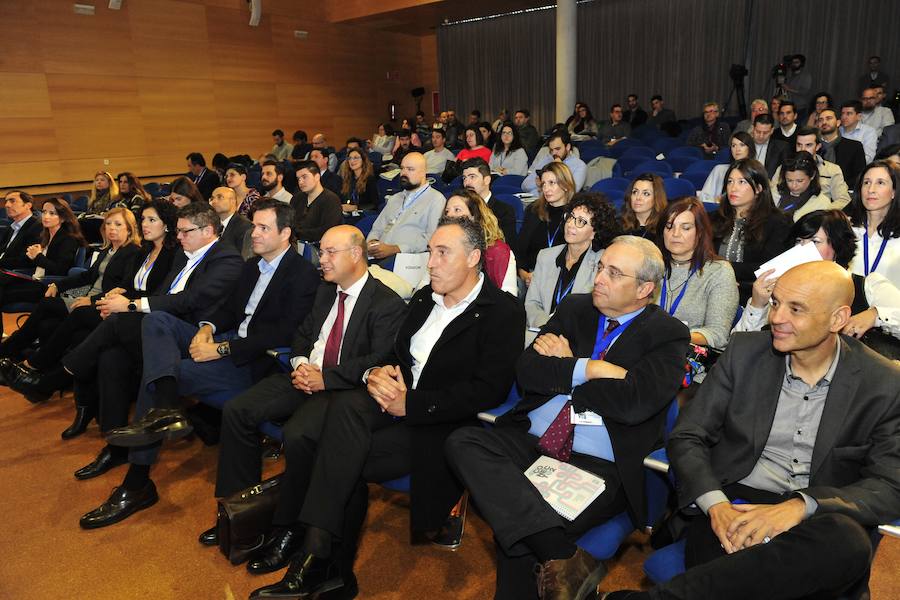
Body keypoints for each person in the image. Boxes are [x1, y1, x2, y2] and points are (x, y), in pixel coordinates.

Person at [246, 218, 525, 600]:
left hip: (437, 421)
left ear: (474, 257)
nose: (431, 262)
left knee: (341, 453)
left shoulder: (502, 312)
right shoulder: (427, 297)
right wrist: (381, 372)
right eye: (430, 252)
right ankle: (319, 558)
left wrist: (410, 403)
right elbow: (399, 353)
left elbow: (487, 391)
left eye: (443, 253)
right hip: (392, 401)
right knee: (334, 419)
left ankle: (318, 559)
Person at [603, 261, 900, 600]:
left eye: (796, 309)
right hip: (735, 505)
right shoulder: (744, 353)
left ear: (838, 318)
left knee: (846, 540)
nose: (776, 318)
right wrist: (716, 506)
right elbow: (688, 436)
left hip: (818, 517)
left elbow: (891, 485)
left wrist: (800, 506)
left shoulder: (883, 384)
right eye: (775, 303)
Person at [447, 235, 689, 600]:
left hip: (599, 463)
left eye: (614, 273)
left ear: (644, 289)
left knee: (519, 528)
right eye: (600, 267)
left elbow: (635, 402)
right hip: (534, 441)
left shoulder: (668, 334)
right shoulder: (576, 308)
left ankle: (558, 562)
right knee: (462, 441)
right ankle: (563, 557)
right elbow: (527, 371)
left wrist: (564, 369)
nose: (599, 278)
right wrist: (590, 368)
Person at [79, 200, 320, 529]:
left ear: (286, 233)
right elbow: (229, 312)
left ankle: (137, 482)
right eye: (255, 226)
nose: (255, 233)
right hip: (229, 341)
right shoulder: (253, 267)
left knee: (161, 373)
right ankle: (166, 412)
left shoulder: (302, 273)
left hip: (256, 362)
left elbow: (283, 332)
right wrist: (207, 328)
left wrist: (221, 348)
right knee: (157, 321)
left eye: (264, 228)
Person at [200, 224, 407, 564]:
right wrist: (299, 365)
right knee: (238, 411)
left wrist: (326, 378)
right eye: (321, 252)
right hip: (303, 377)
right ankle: (239, 513)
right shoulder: (326, 292)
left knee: (299, 435)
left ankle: (288, 527)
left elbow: (379, 359)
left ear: (356, 255)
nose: (320, 260)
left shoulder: (385, 303)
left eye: (329, 253)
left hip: (340, 389)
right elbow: (301, 336)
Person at [60, 202, 244, 486]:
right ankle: (117, 445)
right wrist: (130, 305)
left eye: (184, 231)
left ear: (208, 230)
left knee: (130, 321)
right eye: (178, 231)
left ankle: (65, 371)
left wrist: (131, 305)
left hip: (194, 336)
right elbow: (162, 294)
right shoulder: (185, 255)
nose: (178, 236)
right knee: (112, 356)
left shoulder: (227, 259)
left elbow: (190, 301)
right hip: (162, 328)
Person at [1, 206, 146, 407]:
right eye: (109, 224)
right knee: (48, 322)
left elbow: (126, 287)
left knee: (50, 306)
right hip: (88, 298)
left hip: (104, 303)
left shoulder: (133, 252)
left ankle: (26, 361)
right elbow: (87, 276)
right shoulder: (108, 250)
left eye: (118, 224)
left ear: (129, 229)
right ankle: (32, 369)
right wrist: (58, 284)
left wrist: (92, 300)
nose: (112, 228)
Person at [733, 209, 900, 355]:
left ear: (837, 246)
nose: (803, 250)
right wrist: (757, 304)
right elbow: (737, 348)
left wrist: (875, 315)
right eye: (799, 242)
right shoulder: (778, 291)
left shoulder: (867, 285)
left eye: (814, 242)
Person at [525, 193, 620, 328]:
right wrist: (546, 326)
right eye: (570, 217)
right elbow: (532, 303)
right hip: (541, 331)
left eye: (580, 221)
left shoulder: (602, 263)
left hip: (578, 337)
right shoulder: (545, 256)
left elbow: (599, 312)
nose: (570, 225)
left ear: (594, 232)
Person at [657, 198, 738, 349]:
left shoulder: (718, 272)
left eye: (685, 228)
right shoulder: (652, 265)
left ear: (700, 232)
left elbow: (718, 334)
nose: (675, 234)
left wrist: (669, 335)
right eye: (669, 226)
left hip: (690, 360)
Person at [0, 197, 85, 339]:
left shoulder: (68, 238)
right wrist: (33, 256)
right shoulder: (45, 235)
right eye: (44, 212)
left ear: (63, 218)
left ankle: (17, 339)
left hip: (47, 286)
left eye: (52, 213)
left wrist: (38, 257)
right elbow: (39, 263)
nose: (46, 216)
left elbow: (61, 270)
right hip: (34, 279)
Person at [711, 158, 791, 304]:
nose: (733, 188)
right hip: (713, 289)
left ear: (759, 188)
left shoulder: (777, 222)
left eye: (741, 182)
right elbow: (702, 256)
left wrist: (723, 272)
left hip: (753, 295)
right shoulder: (714, 218)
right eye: (730, 181)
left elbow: (769, 267)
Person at [367, 152, 446, 263]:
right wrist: (373, 242)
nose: (403, 173)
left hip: (407, 261)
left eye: (410, 169)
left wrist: (397, 249)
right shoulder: (395, 198)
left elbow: (432, 237)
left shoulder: (436, 199)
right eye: (402, 168)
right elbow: (377, 228)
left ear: (423, 172)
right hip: (377, 257)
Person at [443, 189, 517, 294]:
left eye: (457, 210)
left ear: (474, 216)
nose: (449, 215)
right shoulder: (440, 248)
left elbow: (510, 301)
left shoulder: (498, 252)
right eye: (447, 211)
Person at [517, 162, 577, 286]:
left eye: (551, 183)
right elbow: (520, 249)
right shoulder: (533, 210)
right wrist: (524, 275)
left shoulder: (577, 214)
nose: (546, 189)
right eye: (543, 184)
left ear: (565, 185)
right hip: (531, 275)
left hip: (562, 278)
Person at [847, 160, 900, 288]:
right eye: (866, 183)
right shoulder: (845, 228)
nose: (871, 189)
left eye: (880, 183)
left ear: (894, 192)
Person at [771, 126, 851, 208]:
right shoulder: (784, 168)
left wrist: (822, 212)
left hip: (819, 215)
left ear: (818, 146)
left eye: (808, 145)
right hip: (787, 212)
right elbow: (772, 194)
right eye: (799, 145)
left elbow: (843, 200)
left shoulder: (831, 170)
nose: (803, 149)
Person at [461, 158, 517, 250]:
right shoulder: (461, 208)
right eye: (464, 178)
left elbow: (507, 247)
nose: (467, 183)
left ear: (486, 180)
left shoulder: (504, 211)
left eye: (472, 177)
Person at [289, 160, 343, 244]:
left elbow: (328, 230)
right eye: (298, 179)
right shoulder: (297, 198)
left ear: (317, 177)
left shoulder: (331, 200)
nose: (300, 182)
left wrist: (297, 233)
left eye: (304, 177)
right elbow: (289, 223)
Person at [522, 130, 587, 195]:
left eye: (557, 149)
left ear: (568, 147)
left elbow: (571, 191)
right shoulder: (547, 159)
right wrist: (541, 184)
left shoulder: (579, 165)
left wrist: (559, 167)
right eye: (551, 150)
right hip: (535, 200)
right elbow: (525, 185)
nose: (554, 153)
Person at [773, 151, 832, 221]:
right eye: (789, 180)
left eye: (799, 181)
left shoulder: (822, 203)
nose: (794, 186)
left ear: (812, 175)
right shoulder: (774, 193)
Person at [699, 132, 756, 203]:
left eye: (742, 145)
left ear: (750, 148)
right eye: (733, 145)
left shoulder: (756, 172)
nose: (737, 149)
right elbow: (704, 196)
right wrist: (715, 200)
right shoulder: (719, 170)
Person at [817, 107, 868, 187]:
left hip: (845, 192)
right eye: (820, 120)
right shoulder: (813, 146)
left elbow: (860, 176)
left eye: (828, 118)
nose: (824, 122)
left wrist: (839, 187)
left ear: (838, 123)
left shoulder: (854, 147)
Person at [0, 191, 43, 274]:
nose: (7, 205)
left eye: (12, 201)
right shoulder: (11, 228)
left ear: (28, 205)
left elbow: (27, 260)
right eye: (6, 201)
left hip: (17, 275)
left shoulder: (37, 226)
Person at [621, 173, 668, 240]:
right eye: (635, 192)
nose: (638, 197)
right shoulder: (618, 225)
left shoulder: (664, 228)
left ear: (657, 198)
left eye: (646, 193)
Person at [208, 186, 252, 254]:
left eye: (219, 197)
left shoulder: (245, 226)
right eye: (212, 198)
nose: (214, 201)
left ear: (233, 201)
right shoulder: (211, 225)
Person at [337, 147, 378, 212]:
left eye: (356, 158)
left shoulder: (370, 179)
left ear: (363, 160)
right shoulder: (347, 179)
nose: (352, 161)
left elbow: (374, 204)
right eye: (349, 158)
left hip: (363, 215)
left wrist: (355, 207)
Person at [748, 114, 788, 178]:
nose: (761, 136)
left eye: (765, 133)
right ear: (753, 128)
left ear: (772, 131)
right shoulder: (744, 145)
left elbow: (785, 173)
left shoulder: (781, 147)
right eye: (758, 132)